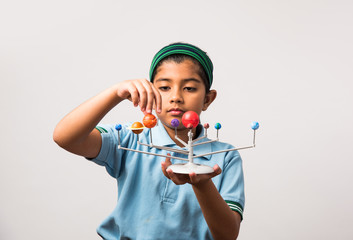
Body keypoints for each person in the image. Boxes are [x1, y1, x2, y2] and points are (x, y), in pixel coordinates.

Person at [53, 42, 245, 240]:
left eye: (189, 88)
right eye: (164, 87)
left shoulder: (224, 157)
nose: (176, 97)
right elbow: (65, 137)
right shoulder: (132, 138)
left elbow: (227, 235)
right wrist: (115, 93)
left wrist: (201, 184)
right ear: (151, 93)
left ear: (207, 99)